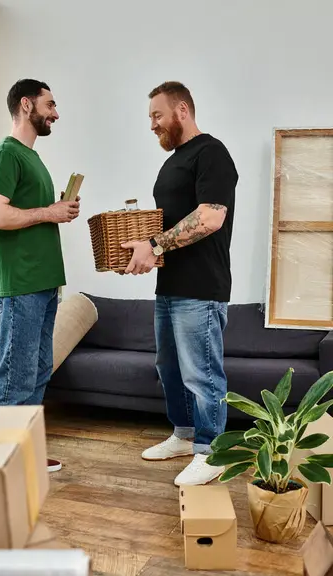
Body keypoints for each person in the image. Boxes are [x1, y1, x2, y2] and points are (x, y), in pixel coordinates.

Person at [122, 81, 238, 486]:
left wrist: (154, 244)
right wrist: (140, 248)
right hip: (170, 286)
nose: (153, 125)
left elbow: (211, 216)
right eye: (150, 118)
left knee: (202, 374)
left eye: (157, 115)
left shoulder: (212, 153)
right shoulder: (174, 160)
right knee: (169, 367)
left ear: (182, 110)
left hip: (201, 288)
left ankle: (213, 451)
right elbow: (168, 223)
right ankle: (186, 436)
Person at [0, 79, 80, 472]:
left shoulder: (32, 157)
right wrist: (49, 213)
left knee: (37, 371)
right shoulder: (5, 155)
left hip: (42, 282)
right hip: (19, 283)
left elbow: (26, 212)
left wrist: (57, 208)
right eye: (50, 104)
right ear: (26, 105)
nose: (55, 113)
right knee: (15, 376)